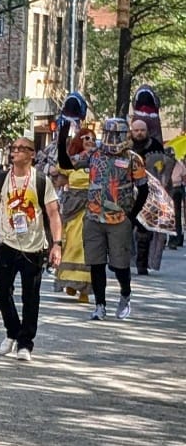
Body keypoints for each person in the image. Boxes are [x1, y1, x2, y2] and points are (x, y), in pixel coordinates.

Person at [0, 137, 63, 361]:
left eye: (21, 149)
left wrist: (57, 244)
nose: (15, 152)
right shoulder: (0, 180)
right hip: (7, 243)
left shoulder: (41, 181)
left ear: (32, 154)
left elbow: (53, 214)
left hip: (34, 246)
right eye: (13, 148)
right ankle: (12, 331)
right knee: (1, 291)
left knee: (30, 296)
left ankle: (25, 343)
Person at [58, 118, 149, 321]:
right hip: (93, 217)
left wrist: (131, 216)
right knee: (96, 264)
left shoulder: (133, 159)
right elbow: (67, 163)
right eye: (109, 134)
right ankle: (100, 305)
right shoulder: (94, 154)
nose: (113, 139)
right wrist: (63, 135)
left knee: (119, 265)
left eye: (117, 134)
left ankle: (125, 293)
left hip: (119, 218)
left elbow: (143, 189)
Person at [53, 127, 95, 303]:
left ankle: (84, 289)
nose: (90, 141)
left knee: (88, 248)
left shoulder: (99, 161)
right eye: (86, 138)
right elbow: (59, 179)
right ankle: (70, 282)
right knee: (71, 245)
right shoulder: (72, 161)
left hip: (92, 209)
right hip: (73, 208)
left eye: (93, 138)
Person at [128, 118, 165, 275]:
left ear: (147, 131)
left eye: (142, 130)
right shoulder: (126, 147)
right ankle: (120, 262)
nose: (139, 133)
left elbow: (162, 167)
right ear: (132, 131)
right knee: (124, 230)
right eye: (136, 130)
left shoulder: (155, 146)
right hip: (127, 193)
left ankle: (142, 264)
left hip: (148, 194)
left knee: (144, 231)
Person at [170, 152, 185, 250]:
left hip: (173, 189)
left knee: (173, 215)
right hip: (175, 188)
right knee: (175, 215)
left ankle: (175, 239)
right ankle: (175, 239)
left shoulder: (164, 164)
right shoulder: (179, 164)